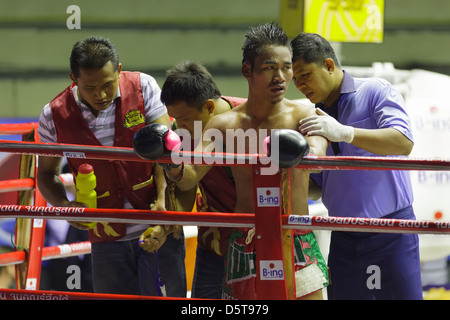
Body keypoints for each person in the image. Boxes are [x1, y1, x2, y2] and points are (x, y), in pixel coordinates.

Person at [161, 23, 329, 300]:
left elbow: (317, 156)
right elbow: (190, 175)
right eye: (269, 68)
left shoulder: (305, 114)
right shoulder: (225, 124)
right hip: (245, 241)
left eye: (287, 67)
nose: (280, 76)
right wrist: (170, 157)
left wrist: (298, 151)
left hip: (295, 235)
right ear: (247, 71)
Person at [36, 36, 186, 297]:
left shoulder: (143, 86)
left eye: (107, 84)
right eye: (90, 87)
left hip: (156, 226)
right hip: (105, 238)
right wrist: (64, 205)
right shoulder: (53, 115)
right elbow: (46, 174)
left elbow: (166, 149)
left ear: (119, 69)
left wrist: (164, 203)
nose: (101, 94)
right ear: (74, 78)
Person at [291, 32, 422, 300]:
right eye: (295, 79)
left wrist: (346, 133)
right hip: (344, 237)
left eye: (305, 75)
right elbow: (317, 187)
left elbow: (403, 141)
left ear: (328, 65)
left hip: (391, 232)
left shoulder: (375, 90)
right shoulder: (308, 116)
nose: (300, 85)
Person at [160, 61, 246, 298]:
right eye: (175, 118)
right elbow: (188, 186)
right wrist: (173, 217)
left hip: (256, 242)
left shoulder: (251, 121)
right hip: (213, 241)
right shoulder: (180, 130)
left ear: (209, 106)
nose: (180, 126)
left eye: (185, 119)